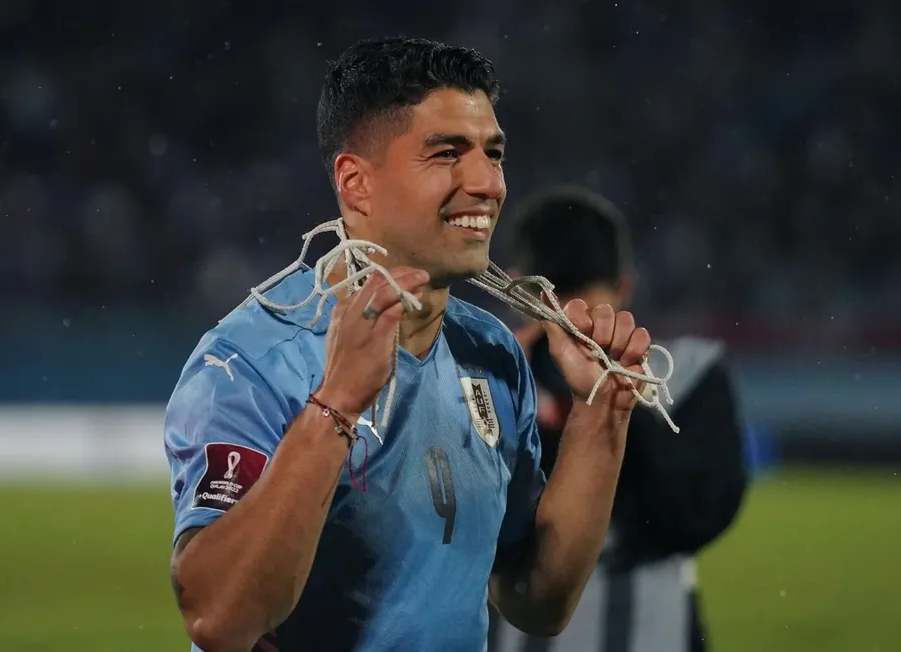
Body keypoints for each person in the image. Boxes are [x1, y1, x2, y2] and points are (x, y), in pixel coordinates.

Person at [164, 38, 661, 652]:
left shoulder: (491, 352)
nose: (486, 183)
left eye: (493, 153)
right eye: (446, 154)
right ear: (356, 183)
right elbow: (219, 618)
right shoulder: (251, 362)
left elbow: (535, 599)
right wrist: (337, 403)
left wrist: (601, 414)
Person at [488, 186, 750, 652]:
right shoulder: (491, 378)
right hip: (653, 632)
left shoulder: (680, 375)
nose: (577, 335)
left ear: (515, 290)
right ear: (625, 284)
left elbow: (697, 514)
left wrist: (613, 399)